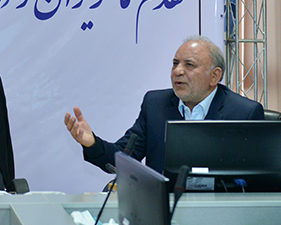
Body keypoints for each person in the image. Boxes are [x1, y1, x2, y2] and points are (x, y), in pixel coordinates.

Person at [64, 36, 264, 173]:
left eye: (189, 65)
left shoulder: (244, 113)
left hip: (217, 213)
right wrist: (92, 143)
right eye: (175, 63)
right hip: (163, 211)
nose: (177, 71)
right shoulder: (155, 105)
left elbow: (255, 182)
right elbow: (124, 158)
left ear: (214, 76)